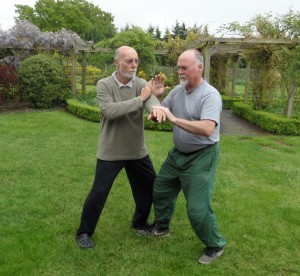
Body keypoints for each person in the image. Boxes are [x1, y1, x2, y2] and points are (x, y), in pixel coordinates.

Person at [76, 45, 166, 249]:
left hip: (136, 151)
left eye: (136, 60)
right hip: (111, 151)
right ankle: (84, 232)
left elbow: (150, 101)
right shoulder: (104, 85)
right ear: (117, 62)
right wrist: (141, 98)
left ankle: (140, 223)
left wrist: (156, 104)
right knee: (99, 192)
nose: (134, 65)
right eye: (129, 61)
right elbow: (111, 111)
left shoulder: (141, 83)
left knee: (150, 187)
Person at [150, 49, 227, 264]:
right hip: (177, 154)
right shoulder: (178, 90)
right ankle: (161, 227)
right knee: (161, 189)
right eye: (178, 67)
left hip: (202, 156)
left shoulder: (210, 94)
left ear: (200, 67)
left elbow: (207, 128)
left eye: (185, 67)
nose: (180, 72)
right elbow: (162, 112)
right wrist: (156, 101)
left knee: (197, 208)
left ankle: (215, 245)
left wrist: (174, 119)